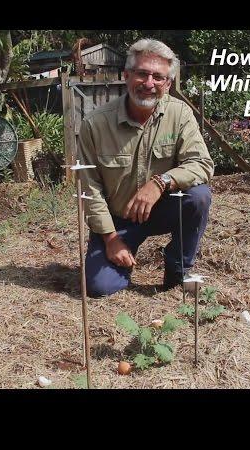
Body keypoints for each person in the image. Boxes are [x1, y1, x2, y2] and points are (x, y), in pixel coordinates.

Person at [78, 38, 214, 298]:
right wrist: (110, 238)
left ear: (168, 84)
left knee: (199, 197)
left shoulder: (180, 114)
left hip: (162, 209)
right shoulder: (95, 124)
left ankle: (177, 269)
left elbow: (202, 164)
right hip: (117, 219)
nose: (149, 83)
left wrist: (160, 182)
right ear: (127, 75)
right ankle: (122, 254)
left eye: (158, 77)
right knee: (99, 287)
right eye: (142, 74)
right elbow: (89, 188)